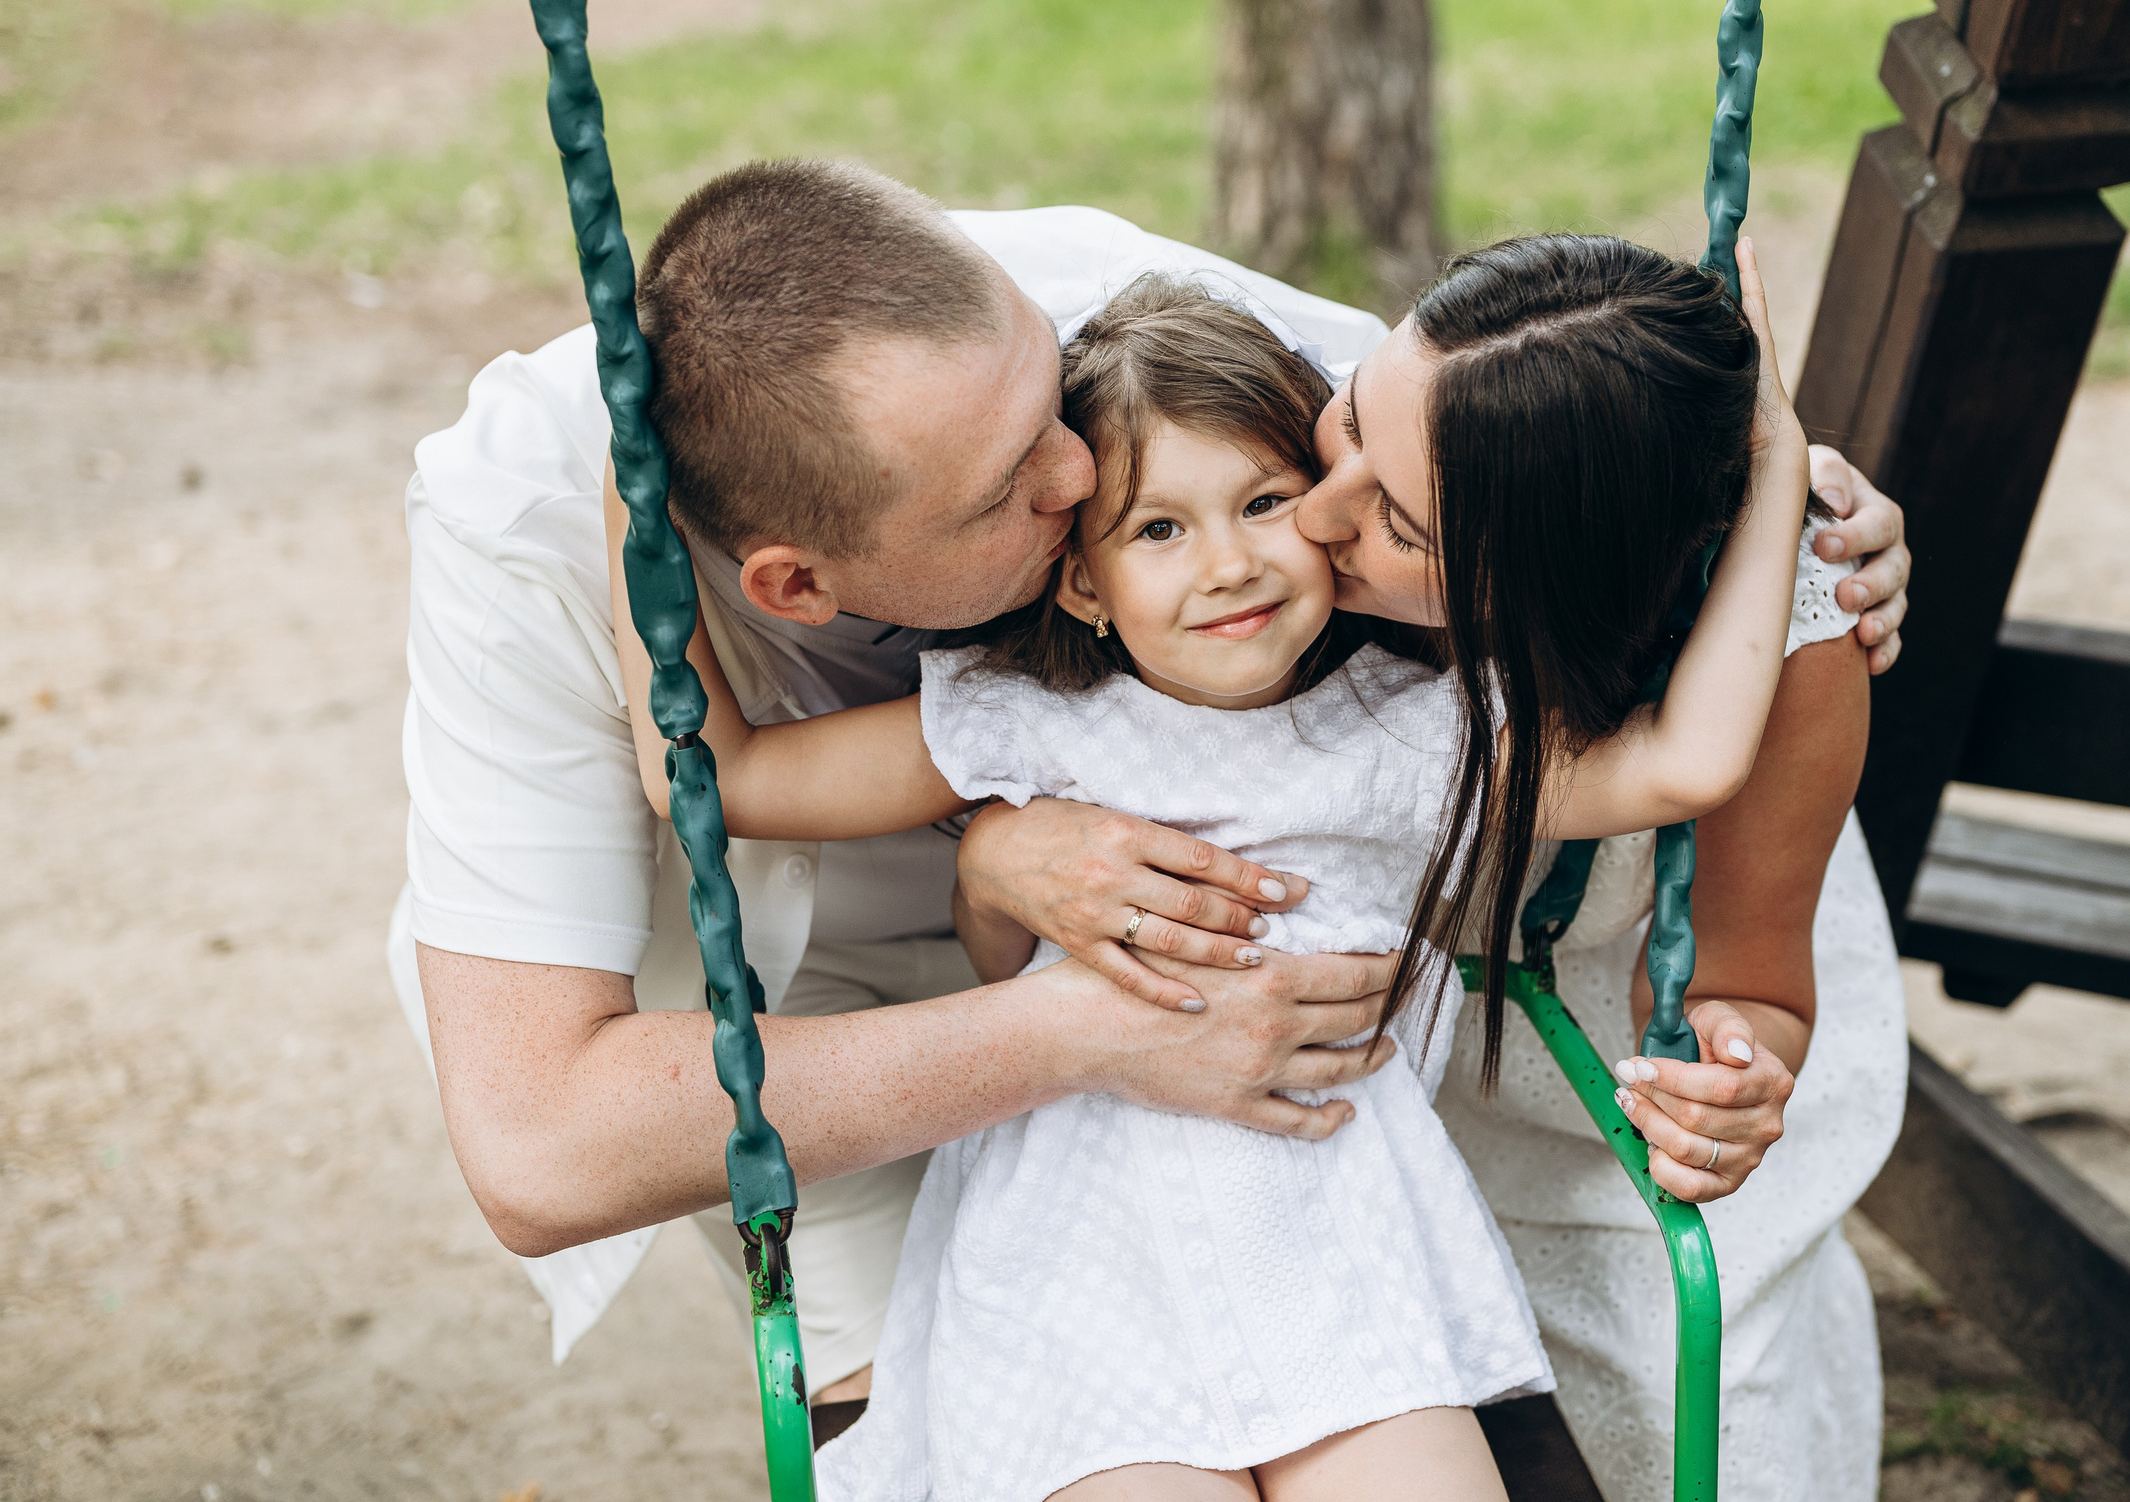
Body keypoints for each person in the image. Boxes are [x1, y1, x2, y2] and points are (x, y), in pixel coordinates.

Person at [389, 158, 1912, 1427]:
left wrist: (1782, 501)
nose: (1090, 482)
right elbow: (553, 1123)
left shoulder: (1125, 339)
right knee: (1002, 1420)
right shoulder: (534, 539)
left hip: (1316, 1135)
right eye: (1026, 495)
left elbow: (1549, 462)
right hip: (845, 1033)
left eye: (1054, 405)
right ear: (799, 582)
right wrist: (1074, 1006)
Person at [603, 273, 1809, 1498]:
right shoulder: (1020, 721)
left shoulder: (1417, 729)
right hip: (1075, 1268)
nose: (1229, 563)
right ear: (1080, 583)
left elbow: (1690, 759)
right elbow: (725, 774)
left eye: (1265, 500)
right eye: (1159, 530)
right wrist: (626, 490)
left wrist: (1779, 478)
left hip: (1336, 1248)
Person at [1290, 234, 1907, 1501]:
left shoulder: (1785, 650)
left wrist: (1731, 1072)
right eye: (1346, 416)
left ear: (1552, 584)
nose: (1316, 513)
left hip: (1588, 1083)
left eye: (1397, 525)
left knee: (1703, 1422)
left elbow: (1751, 979)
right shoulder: (1260, 482)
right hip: (1359, 1068)